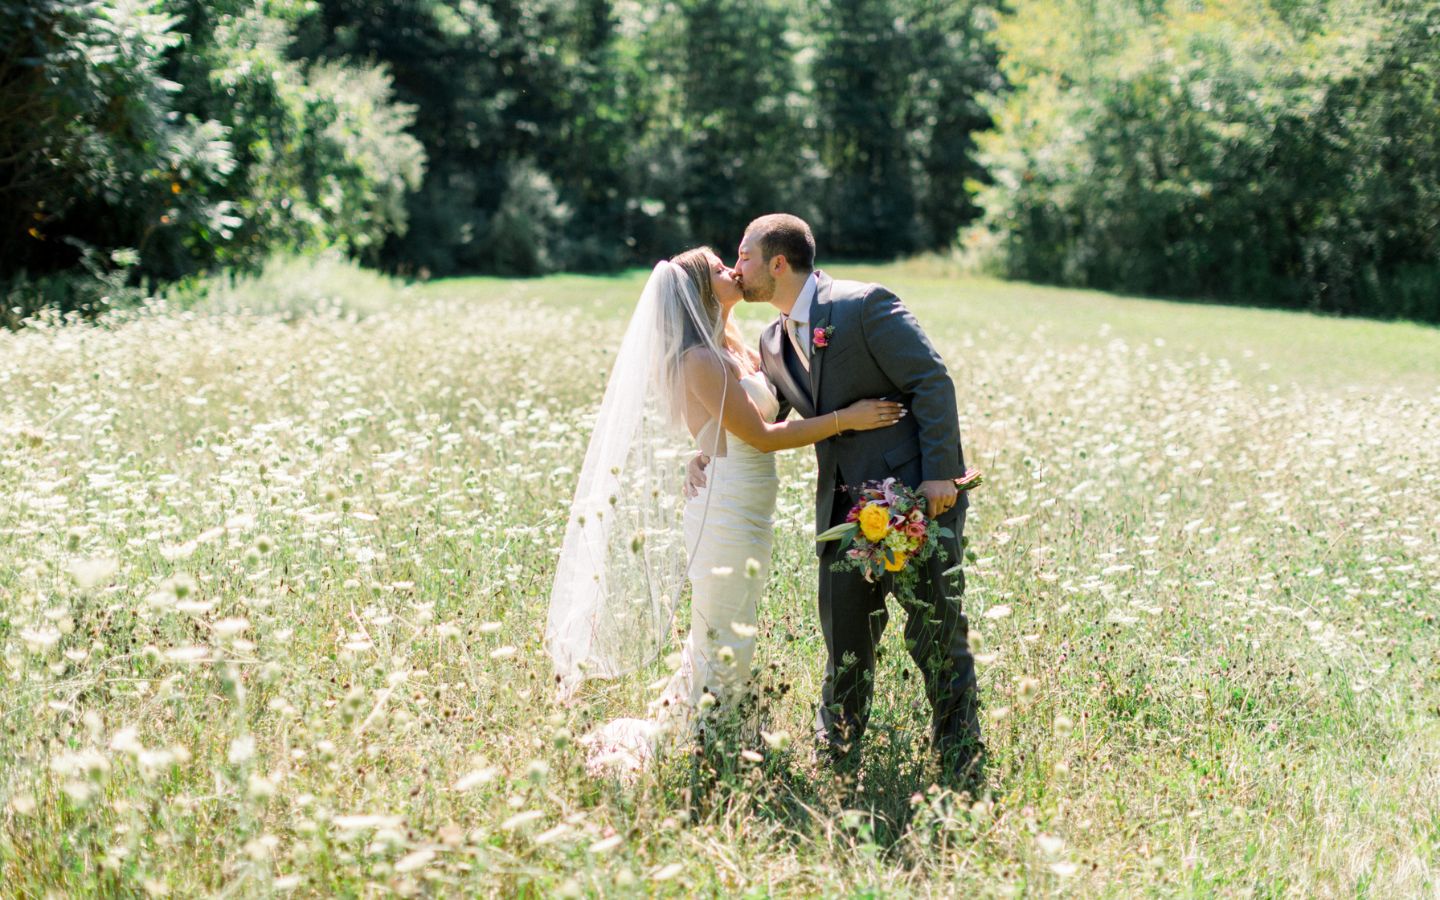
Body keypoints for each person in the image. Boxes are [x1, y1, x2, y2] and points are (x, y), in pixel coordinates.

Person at [545, 246, 904, 771]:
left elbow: (730, 420)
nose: (733, 271)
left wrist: (703, 450)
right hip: (726, 507)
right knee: (723, 630)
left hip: (749, 501)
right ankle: (703, 741)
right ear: (699, 291)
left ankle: (710, 726)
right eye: (718, 269)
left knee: (731, 626)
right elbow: (758, 435)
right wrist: (846, 419)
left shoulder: (731, 344)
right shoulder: (698, 358)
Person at [693, 213, 984, 785]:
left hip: (917, 501)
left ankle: (959, 749)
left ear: (778, 263)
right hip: (840, 513)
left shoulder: (862, 305)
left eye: (744, 256)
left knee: (935, 631)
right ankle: (838, 751)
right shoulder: (770, 339)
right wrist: (704, 447)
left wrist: (940, 477)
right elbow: (755, 414)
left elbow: (931, 380)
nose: (737, 266)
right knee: (845, 639)